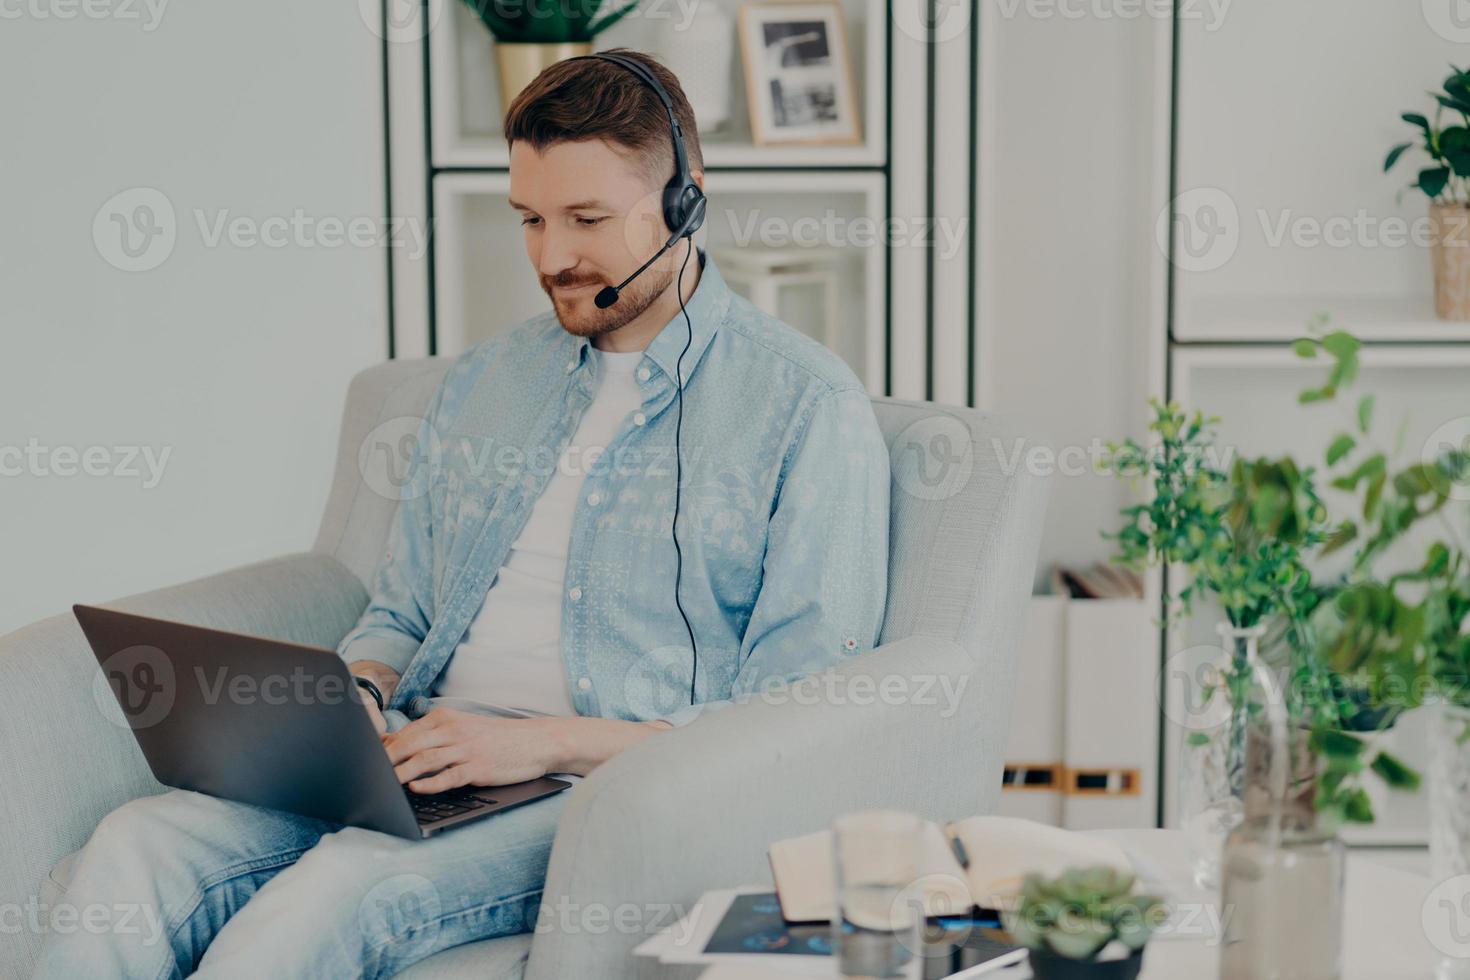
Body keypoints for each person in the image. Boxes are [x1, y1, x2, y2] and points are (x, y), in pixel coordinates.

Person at [34, 49, 890, 979]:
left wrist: (536, 742)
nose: (552, 256)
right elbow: (403, 610)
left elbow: (798, 719)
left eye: (587, 219)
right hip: (420, 753)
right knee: (134, 846)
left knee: (335, 896)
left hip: (594, 789)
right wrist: (358, 694)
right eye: (529, 218)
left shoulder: (803, 406)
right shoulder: (486, 382)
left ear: (684, 200)